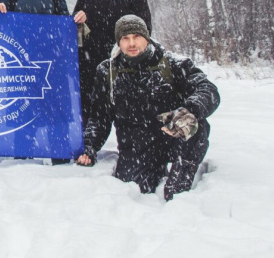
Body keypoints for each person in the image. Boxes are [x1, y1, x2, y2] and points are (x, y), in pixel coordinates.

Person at [76, 15, 220, 201]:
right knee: (135, 193)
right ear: (119, 42)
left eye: (137, 37)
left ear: (147, 37)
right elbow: (100, 117)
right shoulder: (108, 71)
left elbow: (208, 90)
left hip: (173, 138)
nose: (132, 43)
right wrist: (90, 146)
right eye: (125, 38)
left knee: (195, 124)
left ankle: (181, 175)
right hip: (136, 146)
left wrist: (190, 109)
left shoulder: (173, 63)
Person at [0, 0, 81, 165]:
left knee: (56, 109)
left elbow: (63, 21)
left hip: (53, 60)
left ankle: (59, 154)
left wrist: (75, 22)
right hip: (22, 60)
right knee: (24, 108)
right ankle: (22, 156)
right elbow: (0, 26)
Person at [72, 0, 151, 126]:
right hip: (90, 57)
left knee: (125, 104)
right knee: (90, 106)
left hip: (122, 55)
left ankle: (131, 145)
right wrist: (79, 19)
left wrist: (133, 50)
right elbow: (74, 24)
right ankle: (88, 146)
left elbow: (144, 26)